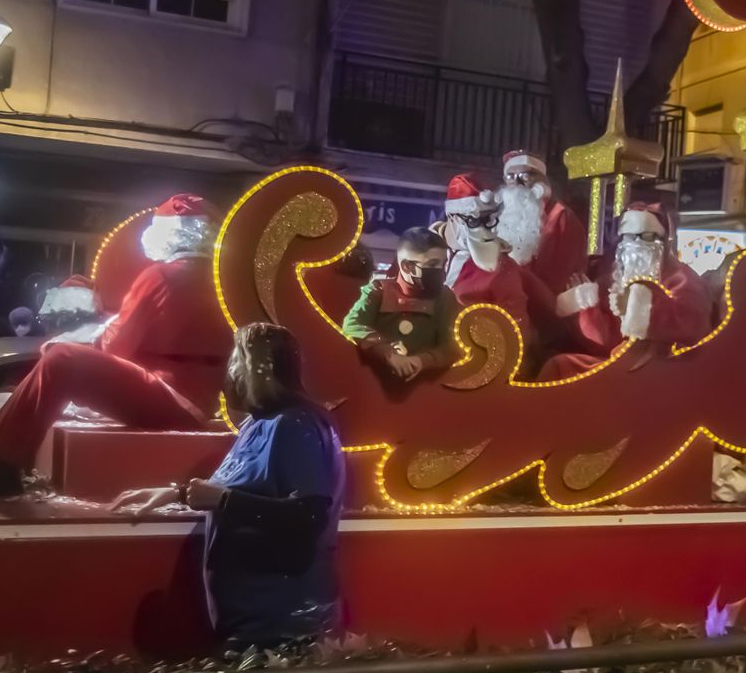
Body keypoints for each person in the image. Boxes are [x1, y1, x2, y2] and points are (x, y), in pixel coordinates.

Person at [0, 194, 234, 498]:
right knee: (59, 357)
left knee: (60, 357)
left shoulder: (162, 275)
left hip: (170, 396)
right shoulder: (220, 279)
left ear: (171, 231)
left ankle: (1, 469)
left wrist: (76, 341)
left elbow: (116, 344)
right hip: (197, 401)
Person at [112, 323, 344, 646]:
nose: (230, 371)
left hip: (283, 625)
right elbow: (246, 488)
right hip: (247, 621)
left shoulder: (296, 425)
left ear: (258, 369)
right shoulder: (257, 425)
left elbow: (307, 517)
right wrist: (177, 493)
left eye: (236, 360)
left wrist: (223, 501)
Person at [547, 202, 713, 375]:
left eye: (647, 236)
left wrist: (643, 308)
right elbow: (605, 342)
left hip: (663, 368)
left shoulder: (682, 278)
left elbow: (693, 324)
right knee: (559, 365)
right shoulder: (614, 278)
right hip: (623, 363)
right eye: (629, 237)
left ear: (663, 241)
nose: (636, 244)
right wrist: (586, 305)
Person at [440, 172, 553, 342]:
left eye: (489, 220)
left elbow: (516, 332)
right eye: (474, 221)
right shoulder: (421, 249)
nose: (484, 229)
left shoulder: (502, 267)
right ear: (452, 217)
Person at [341, 226, 458, 383]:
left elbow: (451, 346)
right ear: (406, 267)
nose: (440, 271)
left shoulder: (445, 297)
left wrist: (421, 361)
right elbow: (353, 325)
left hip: (424, 389)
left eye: (443, 264)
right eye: (432, 264)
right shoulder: (378, 290)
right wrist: (388, 354)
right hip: (373, 384)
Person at [494, 150, 588, 296]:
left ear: (541, 180)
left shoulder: (562, 217)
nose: (518, 183)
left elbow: (559, 277)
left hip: (543, 302)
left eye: (525, 175)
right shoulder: (496, 216)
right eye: (511, 176)